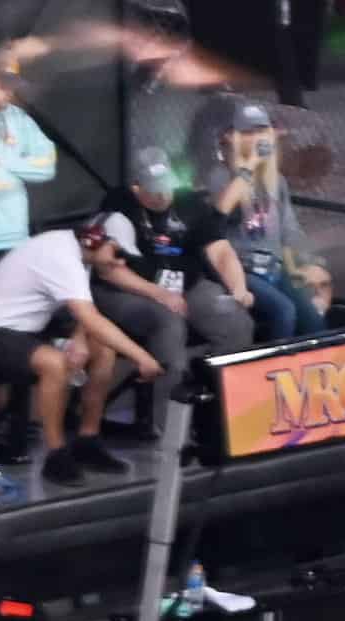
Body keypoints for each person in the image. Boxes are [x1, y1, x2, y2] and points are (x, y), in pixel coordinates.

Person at [91, 148, 253, 446]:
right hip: (129, 288)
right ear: (136, 188)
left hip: (185, 284)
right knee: (168, 323)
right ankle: (168, 427)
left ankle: (218, 410)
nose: (162, 196)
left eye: (166, 186)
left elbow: (220, 251)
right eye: (153, 191)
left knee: (234, 322)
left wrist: (238, 288)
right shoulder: (118, 207)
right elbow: (108, 271)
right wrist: (158, 294)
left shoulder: (189, 202)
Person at [0, 220, 164, 484]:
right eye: (118, 254)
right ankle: (56, 456)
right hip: (0, 330)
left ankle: (88, 440)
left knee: (103, 351)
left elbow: (81, 312)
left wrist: (80, 339)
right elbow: (91, 317)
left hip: (28, 330)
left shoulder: (78, 253)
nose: (120, 264)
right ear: (93, 240)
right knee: (54, 363)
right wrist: (140, 357)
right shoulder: (61, 255)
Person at [206, 100, 326, 341]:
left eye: (262, 130)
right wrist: (249, 164)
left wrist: (310, 263)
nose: (258, 138)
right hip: (242, 270)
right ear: (232, 137)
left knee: (313, 318)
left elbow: (290, 230)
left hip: (274, 268)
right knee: (284, 312)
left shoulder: (276, 181)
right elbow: (221, 211)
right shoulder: (219, 177)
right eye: (248, 132)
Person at [0, 68, 55, 255]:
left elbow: (46, 167)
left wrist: (5, 160)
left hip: (15, 236)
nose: (10, 92)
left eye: (11, 87)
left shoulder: (18, 118)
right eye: (3, 86)